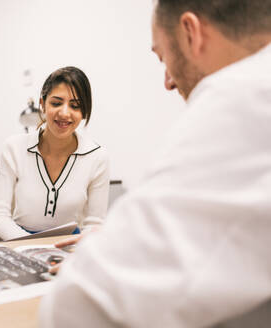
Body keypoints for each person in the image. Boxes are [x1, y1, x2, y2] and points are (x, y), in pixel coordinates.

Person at [40, 1, 271, 327]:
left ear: (191, 33)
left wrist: (114, 254)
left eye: (164, 57)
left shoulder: (243, 96)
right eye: (56, 103)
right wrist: (122, 242)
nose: (167, 82)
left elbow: (83, 304)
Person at [0, 66, 110, 241]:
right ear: (42, 104)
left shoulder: (98, 157)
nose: (64, 113)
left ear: (84, 112)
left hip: (70, 248)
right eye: (56, 103)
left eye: (75, 106)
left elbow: (95, 225)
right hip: (19, 243)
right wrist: (33, 247)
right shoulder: (14, 148)